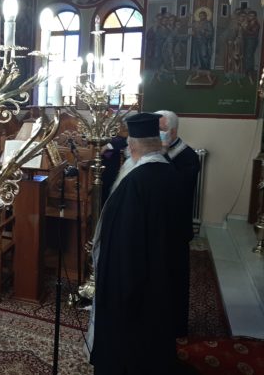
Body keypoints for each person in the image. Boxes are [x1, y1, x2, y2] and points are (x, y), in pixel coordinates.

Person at [88, 113, 183, 375]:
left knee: (128, 350)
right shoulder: (170, 173)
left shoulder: (134, 182)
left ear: (131, 146)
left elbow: (124, 245)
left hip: (132, 288)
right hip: (161, 280)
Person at [156, 109, 201, 338]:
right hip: (157, 227)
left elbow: (178, 189)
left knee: (175, 280)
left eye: (161, 130)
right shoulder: (156, 152)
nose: (157, 133)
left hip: (176, 229)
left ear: (173, 132)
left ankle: (175, 328)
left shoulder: (188, 157)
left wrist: (163, 154)